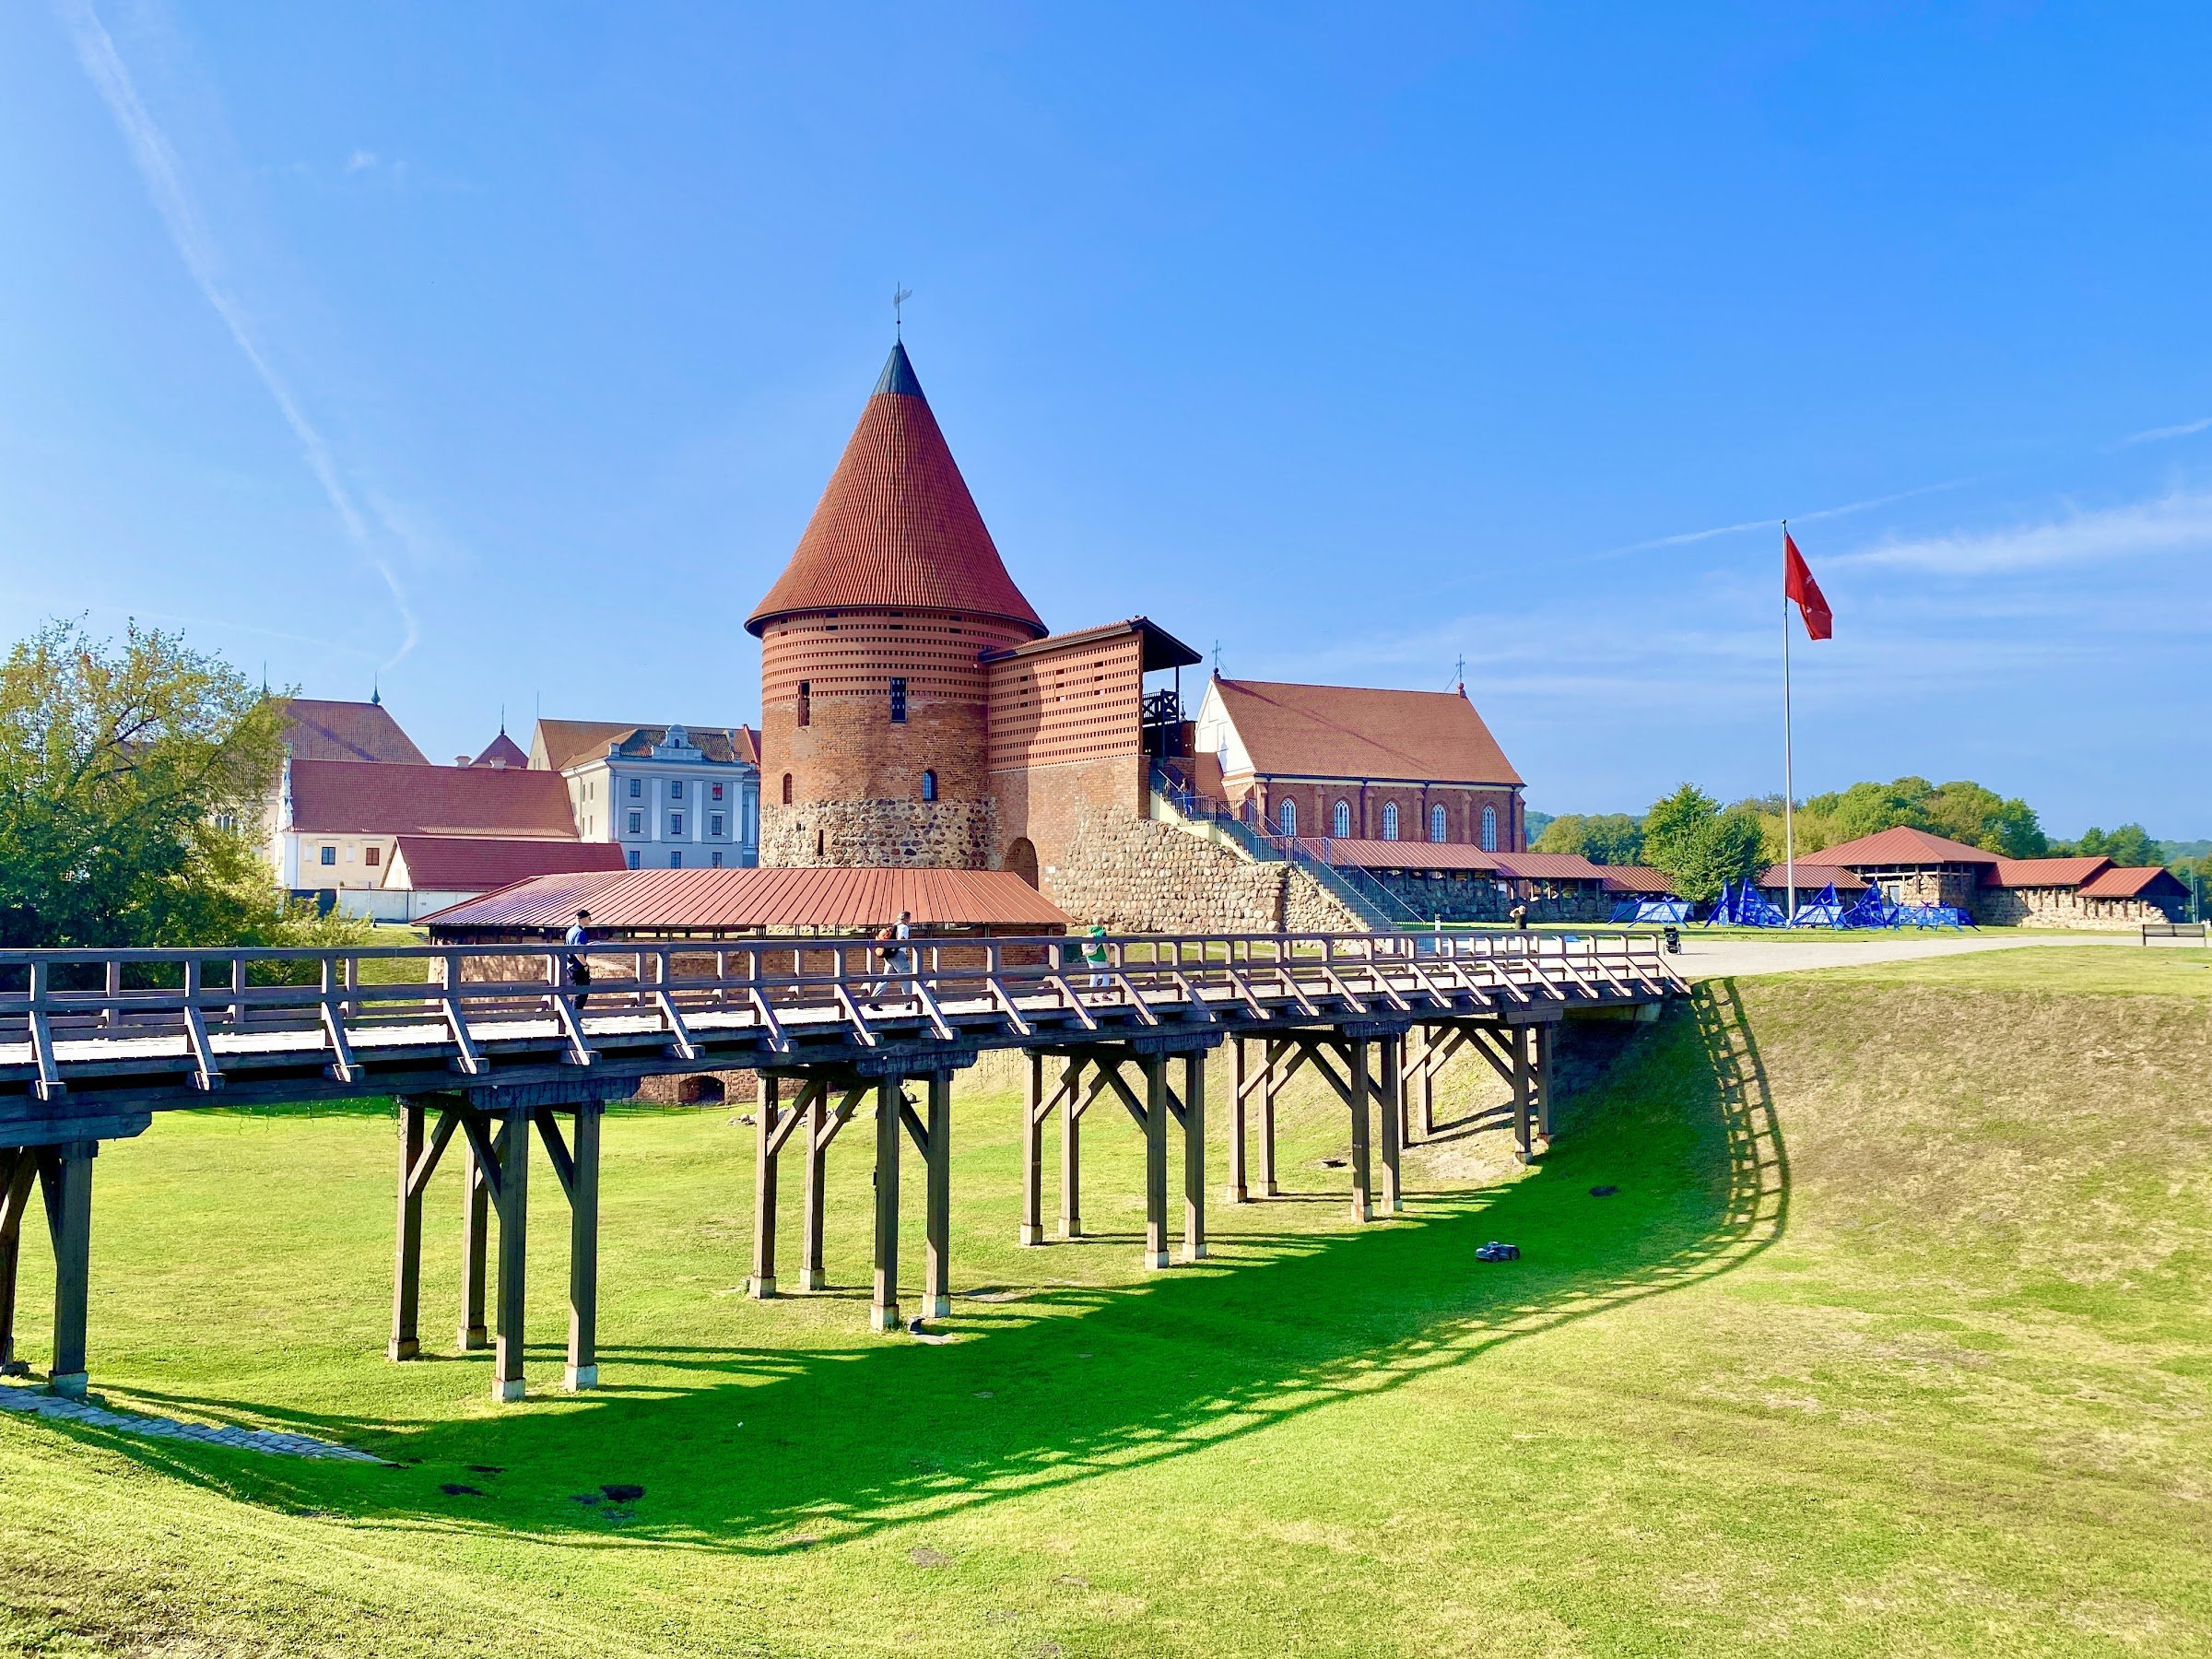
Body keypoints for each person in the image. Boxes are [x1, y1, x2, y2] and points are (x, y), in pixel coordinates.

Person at [868, 910, 914, 1006]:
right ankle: (909, 1002)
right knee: (906, 977)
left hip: (889, 954)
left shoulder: (893, 927)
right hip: (898, 954)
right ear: (907, 918)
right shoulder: (903, 927)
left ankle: (873, 1001)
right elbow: (901, 940)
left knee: (885, 978)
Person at [564, 909, 594, 1010]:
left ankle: (571, 1015)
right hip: (578, 966)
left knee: (576, 992)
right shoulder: (580, 932)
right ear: (583, 919)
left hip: (570, 965)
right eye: (589, 918)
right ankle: (575, 1018)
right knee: (582, 993)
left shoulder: (571, 931)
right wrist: (585, 964)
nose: (590, 920)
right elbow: (578, 951)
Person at [1080, 923, 1111, 989]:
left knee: (1093, 976)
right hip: (1100, 957)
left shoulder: (1089, 932)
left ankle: (1092, 994)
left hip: (1090, 957)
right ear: (1102, 923)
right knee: (1106, 975)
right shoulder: (1102, 932)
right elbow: (1105, 945)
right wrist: (1108, 958)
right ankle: (1104, 994)